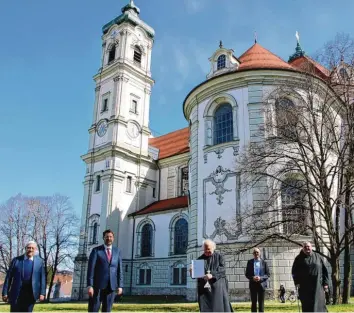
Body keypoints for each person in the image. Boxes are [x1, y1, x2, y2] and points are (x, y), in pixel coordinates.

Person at [2, 241, 45, 312]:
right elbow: (8, 277)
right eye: (28, 248)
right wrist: (5, 293)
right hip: (16, 293)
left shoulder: (39, 262)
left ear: (35, 250)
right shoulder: (16, 260)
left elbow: (42, 278)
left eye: (32, 248)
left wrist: (42, 293)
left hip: (31, 294)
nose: (30, 250)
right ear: (25, 248)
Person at [190, 239, 233, 312]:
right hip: (205, 291)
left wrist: (212, 275)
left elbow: (222, 270)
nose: (207, 252)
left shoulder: (220, 257)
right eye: (205, 250)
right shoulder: (199, 259)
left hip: (218, 289)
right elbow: (196, 275)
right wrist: (192, 273)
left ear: (213, 247)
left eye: (208, 249)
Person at [87, 229, 123, 312]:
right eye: (107, 237)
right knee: (93, 309)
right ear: (103, 238)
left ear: (113, 238)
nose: (109, 238)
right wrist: (90, 286)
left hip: (111, 287)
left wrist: (120, 285)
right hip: (97, 287)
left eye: (110, 237)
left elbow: (119, 270)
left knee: (107, 310)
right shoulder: (96, 251)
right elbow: (90, 269)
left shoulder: (117, 251)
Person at [292, 241, 329, 312]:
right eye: (305, 247)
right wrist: (297, 282)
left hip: (318, 286)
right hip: (305, 287)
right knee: (307, 306)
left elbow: (325, 271)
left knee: (319, 305)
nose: (307, 248)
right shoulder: (298, 258)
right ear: (303, 248)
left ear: (311, 247)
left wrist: (326, 283)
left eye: (308, 246)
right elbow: (294, 272)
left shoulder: (318, 256)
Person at [245, 248, 270, 312]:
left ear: (260, 253)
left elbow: (267, 274)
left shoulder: (264, 262)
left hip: (261, 284)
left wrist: (260, 278)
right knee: (253, 302)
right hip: (253, 284)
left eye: (257, 252)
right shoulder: (250, 262)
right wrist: (252, 277)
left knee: (261, 302)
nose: (256, 254)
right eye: (255, 252)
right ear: (253, 254)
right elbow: (247, 274)